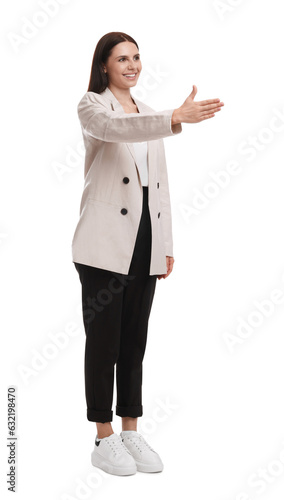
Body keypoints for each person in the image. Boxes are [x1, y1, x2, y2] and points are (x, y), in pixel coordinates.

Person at [71, 31, 224, 476]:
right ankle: (103, 436)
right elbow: (115, 130)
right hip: (102, 245)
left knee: (134, 340)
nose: (132, 65)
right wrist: (173, 116)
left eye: (137, 57)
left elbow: (159, 189)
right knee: (104, 343)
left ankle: (131, 428)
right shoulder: (93, 104)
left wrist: (166, 244)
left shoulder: (149, 111)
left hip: (145, 241)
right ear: (104, 66)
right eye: (122, 59)